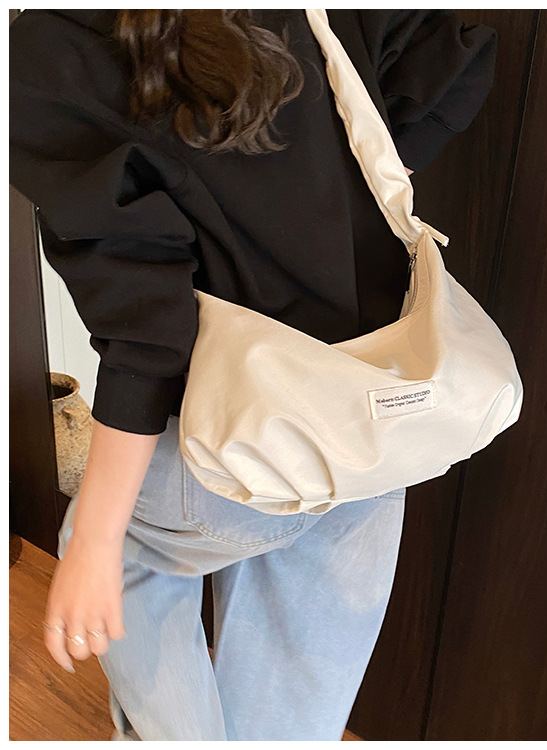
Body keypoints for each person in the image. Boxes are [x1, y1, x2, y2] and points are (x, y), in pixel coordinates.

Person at [9, 9, 498, 741]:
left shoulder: (52, 50)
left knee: (120, 536)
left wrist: (97, 541)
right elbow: (456, 61)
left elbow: (147, 328)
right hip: (372, 411)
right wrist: (345, 201)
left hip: (228, 444)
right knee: (296, 695)